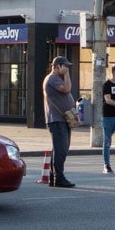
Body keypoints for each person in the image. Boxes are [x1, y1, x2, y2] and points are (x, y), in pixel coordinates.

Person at [42, 56, 76, 188]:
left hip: (62, 119)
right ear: (57, 66)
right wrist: (66, 74)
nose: (67, 69)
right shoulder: (52, 78)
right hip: (56, 119)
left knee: (61, 148)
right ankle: (59, 178)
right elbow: (66, 89)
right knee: (61, 149)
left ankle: (54, 176)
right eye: (65, 66)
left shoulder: (58, 78)